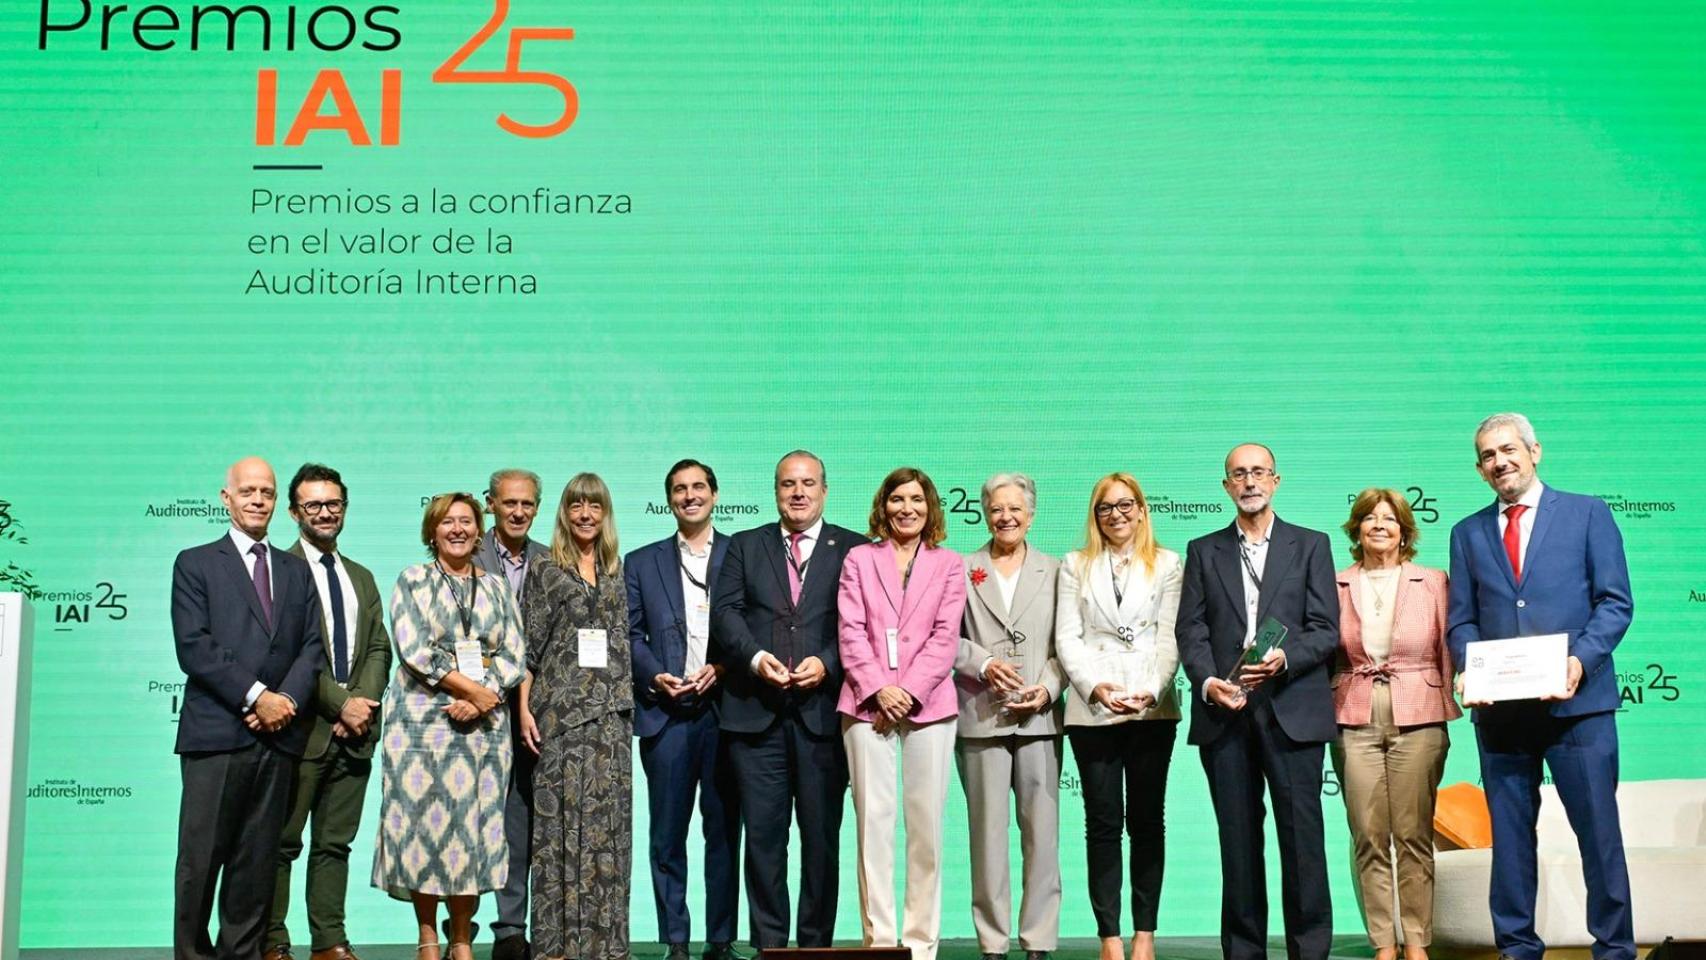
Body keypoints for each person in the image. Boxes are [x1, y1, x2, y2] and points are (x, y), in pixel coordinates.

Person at [1447, 413, 1635, 960]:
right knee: (1509, 843)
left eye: (1509, 449)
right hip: (1502, 715)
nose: (1500, 461)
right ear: (1480, 470)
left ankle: (1616, 949)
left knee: (1598, 836)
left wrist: (1579, 661)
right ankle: (1517, 949)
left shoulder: (1587, 513)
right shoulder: (1467, 532)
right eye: (1487, 455)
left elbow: (1615, 602)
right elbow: (1462, 620)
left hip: (1580, 707)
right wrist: (1467, 666)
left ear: (1535, 451)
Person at [1177, 443, 1339, 960]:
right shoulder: (1203, 550)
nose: (1249, 482)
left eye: (1258, 473)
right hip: (1226, 714)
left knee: (1303, 844)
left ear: (1276, 480)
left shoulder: (1311, 544)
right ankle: (1244, 953)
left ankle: (1309, 951)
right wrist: (1207, 683)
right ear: (1226, 486)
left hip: (1292, 707)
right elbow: (1191, 629)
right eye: (1238, 474)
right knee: (1239, 845)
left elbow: (1325, 628)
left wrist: (1285, 658)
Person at [172, 456, 325, 960]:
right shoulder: (195, 562)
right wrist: (259, 696)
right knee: (201, 861)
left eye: (267, 492)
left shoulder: (296, 570)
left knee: (255, 863)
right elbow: (194, 646)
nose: (258, 500)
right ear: (226, 498)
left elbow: (311, 648)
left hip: (278, 738)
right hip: (217, 735)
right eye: (248, 491)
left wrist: (285, 703)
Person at [709, 450, 861, 950]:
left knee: (821, 842)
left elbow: (861, 622)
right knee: (764, 844)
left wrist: (830, 662)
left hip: (823, 720)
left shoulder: (854, 549)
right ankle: (770, 946)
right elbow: (726, 614)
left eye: (808, 483)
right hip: (755, 717)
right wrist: (754, 659)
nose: (797, 492)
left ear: (824, 490)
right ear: (775, 491)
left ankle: (816, 945)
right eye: (787, 484)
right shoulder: (744, 546)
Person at [373, 493, 526, 960]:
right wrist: (470, 691)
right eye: (447, 522)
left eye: (466, 521)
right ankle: (427, 936)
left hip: (484, 730)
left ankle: (462, 937)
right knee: (424, 830)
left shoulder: (497, 587)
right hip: (421, 727)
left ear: (479, 530)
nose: (457, 529)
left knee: (474, 833)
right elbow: (414, 650)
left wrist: (484, 698)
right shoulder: (412, 580)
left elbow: (514, 652)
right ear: (432, 531)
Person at [837, 467, 967, 960]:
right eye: (897, 499)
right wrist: (878, 689)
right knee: (873, 825)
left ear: (930, 506)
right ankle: (882, 942)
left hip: (930, 708)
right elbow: (849, 631)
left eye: (916, 499)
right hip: (867, 707)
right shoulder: (858, 558)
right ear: (883, 505)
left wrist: (908, 691)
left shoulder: (949, 563)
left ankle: (920, 944)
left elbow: (945, 636)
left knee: (926, 830)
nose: (906, 508)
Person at [265, 464, 393, 960]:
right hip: (302, 730)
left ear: (344, 507)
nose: (325, 512)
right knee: (282, 843)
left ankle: (329, 941)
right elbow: (289, 656)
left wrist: (362, 702)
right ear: (295, 512)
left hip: (356, 735)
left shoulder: (360, 575)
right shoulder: (281, 571)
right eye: (313, 505)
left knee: (335, 846)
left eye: (333, 503)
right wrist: (342, 704)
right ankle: (272, 940)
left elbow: (379, 647)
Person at [1055, 473, 1183, 960]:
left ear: (1143, 510)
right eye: (1106, 507)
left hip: (1153, 708)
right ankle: (1109, 936)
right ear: (1095, 515)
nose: (1117, 515)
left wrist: (1150, 691)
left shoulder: (1170, 564)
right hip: (1093, 710)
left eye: (1126, 505)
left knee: (1149, 822)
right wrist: (1095, 688)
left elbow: (1170, 638)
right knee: (1103, 823)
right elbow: (1067, 637)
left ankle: (1145, 935)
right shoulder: (1075, 565)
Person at [1331, 489, 1458, 960]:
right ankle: (1384, 942)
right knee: (1367, 834)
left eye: (1389, 518)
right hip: (1352, 712)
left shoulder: (1434, 581)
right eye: (1369, 518)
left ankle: (1418, 941)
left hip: (1419, 713)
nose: (1379, 525)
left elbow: (1451, 643)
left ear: (1405, 530)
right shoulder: (1335, 582)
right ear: (1356, 529)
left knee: (1413, 833)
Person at [625, 460, 744, 960]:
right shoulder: (640, 560)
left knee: (723, 834)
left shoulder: (742, 553)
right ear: (669, 499)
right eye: (679, 489)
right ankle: (675, 940)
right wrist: (654, 675)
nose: (689, 496)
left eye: (698, 487)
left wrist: (720, 665)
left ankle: (720, 940)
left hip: (726, 713)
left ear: (715, 495)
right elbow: (628, 634)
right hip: (665, 714)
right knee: (667, 837)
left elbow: (752, 626)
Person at [523, 473, 634, 960]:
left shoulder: (616, 571)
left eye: (594, 505)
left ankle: (605, 944)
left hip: (612, 721)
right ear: (564, 513)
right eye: (576, 505)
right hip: (560, 719)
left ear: (605, 512)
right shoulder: (546, 570)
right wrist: (524, 710)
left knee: (609, 830)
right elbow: (528, 649)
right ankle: (558, 944)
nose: (585, 514)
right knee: (559, 831)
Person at [953, 473, 1064, 960]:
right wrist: (981, 662)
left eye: (1016, 508)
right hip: (981, 716)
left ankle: (1039, 940)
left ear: (1032, 514)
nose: (1006, 517)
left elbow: (1070, 645)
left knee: (1042, 833)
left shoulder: (1057, 570)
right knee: (987, 834)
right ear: (984, 512)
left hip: (1039, 719)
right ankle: (993, 942)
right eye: (997, 508)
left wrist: (1047, 688)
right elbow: (942, 637)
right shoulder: (960, 568)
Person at [475, 469, 550, 960]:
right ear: (491, 504)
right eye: (509, 504)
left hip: (536, 711)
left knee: (528, 818)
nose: (518, 512)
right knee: (480, 821)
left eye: (527, 504)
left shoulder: (550, 559)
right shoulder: (463, 551)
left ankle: (524, 926)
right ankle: (479, 929)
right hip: (475, 710)